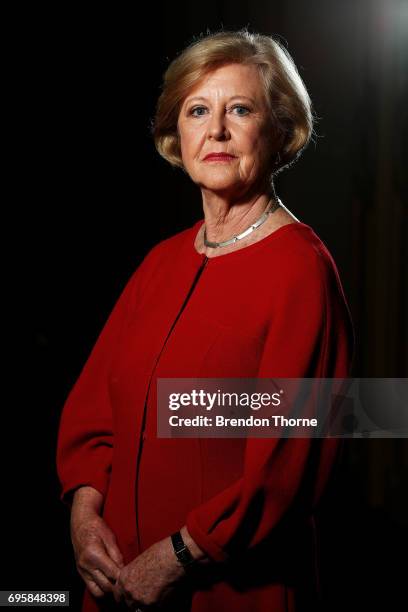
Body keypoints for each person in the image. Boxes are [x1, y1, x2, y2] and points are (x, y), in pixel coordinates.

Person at [56, 29, 355, 611]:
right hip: (117, 587)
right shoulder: (160, 263)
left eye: (239, 109)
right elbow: (94, 412)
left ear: (278, 130)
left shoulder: (302, 271)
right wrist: (84, 512)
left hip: (228, 593)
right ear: (177, 134)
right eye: (198, 110)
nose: (216, 129)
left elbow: (288, 466)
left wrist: (179, 556)